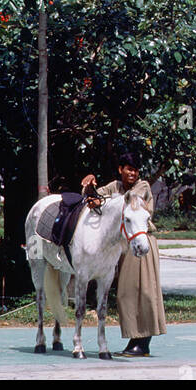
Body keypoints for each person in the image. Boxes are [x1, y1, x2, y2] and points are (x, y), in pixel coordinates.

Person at [80, 151, 167, 357]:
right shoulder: (115, 186)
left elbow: (129, 203)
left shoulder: (142, 187)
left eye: (135, 170)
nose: (133, 173)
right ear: (121, 170)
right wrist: (89, 186)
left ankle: (142, 342)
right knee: (127, 292)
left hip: (142, 242)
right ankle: (135, 339)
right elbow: (95, 196)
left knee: (143, 291)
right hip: (126, 245)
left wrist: (101, 202)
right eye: (129, 169)